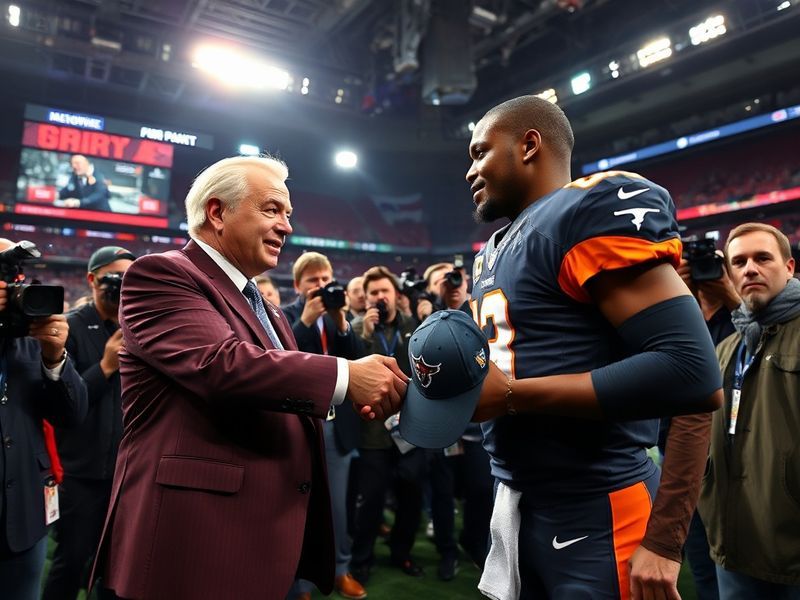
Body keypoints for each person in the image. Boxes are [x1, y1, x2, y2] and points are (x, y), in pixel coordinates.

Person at [90, 155, 407, 600]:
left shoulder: (268, 307)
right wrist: (345, 377)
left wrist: (348, 394)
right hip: (189, 547)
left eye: (288, 214)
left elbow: (276, 390)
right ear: (217, 212)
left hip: (254, 538)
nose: (286, 226)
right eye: (272, 210)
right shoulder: (161, 273)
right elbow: (221, 364)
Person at [465, 96, 723, 600]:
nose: (471, 170)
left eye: (480, 152)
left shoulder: (587, 209)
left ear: (529, 144)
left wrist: (667, 538)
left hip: (600, 504)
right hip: (518, 500)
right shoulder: (493, 250)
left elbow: (690, 374)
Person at [698, 223, 800, 598]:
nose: (749, 269)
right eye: (738, 262)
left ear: (789, 267)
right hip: (734, 546)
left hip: (792, 548)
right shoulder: (726, 348)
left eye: (762, 258)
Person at [42, 245, 135, 600]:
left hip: (125, 473)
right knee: (72, 561)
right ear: (92, 279)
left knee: (117, 567)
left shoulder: (138, 328)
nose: (121, 286)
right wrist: (107, 366)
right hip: (80, 473)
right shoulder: (68, 329)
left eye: (129, 278)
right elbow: (63, 405)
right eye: (114, 277)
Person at [0, 238, 88, 600]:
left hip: (23, 519)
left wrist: (55, 358)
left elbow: (73, 414)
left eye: (13, 277)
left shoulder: (31, 338)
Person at [281, 252, 366, 600]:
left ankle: (340, 569)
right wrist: (304, 322)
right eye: (312, 280)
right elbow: (284, 363)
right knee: (295, 506)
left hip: (335, 425)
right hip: (298, 425)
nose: (320, 286)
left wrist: (342, 322)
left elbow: (358, 359)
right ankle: (299, 582)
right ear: (298, 285)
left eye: (325, 278)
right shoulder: (283, 315)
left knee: (338, 507)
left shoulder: (339, 316)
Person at [350, 266, 426, 582]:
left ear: (396, 294)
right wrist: (365, 336)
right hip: (372, 432)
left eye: (384, 291)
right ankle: (362, 559)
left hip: (411, 429)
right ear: (366, 299)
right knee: (371, 500)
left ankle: (401, 552)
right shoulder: (356, 329)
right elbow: (349, 370)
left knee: (411, 497)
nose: (380, 297)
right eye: (373, 293)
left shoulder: (415, 327)